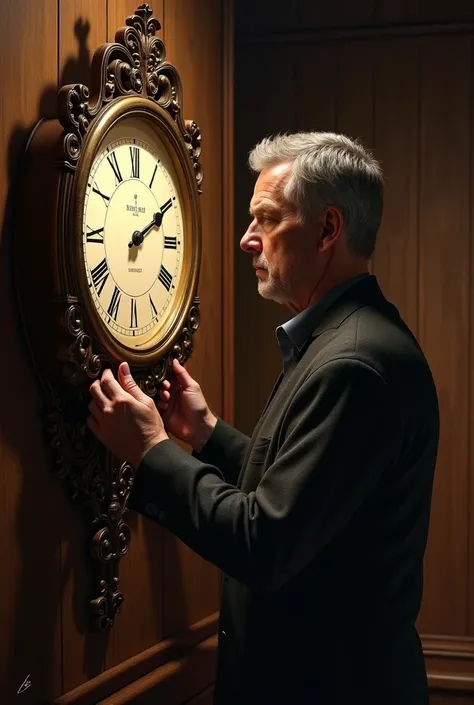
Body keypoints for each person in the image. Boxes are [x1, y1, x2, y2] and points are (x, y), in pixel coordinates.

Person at [88, 131, 439, 705]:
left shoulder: (355, 362)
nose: (246, 239)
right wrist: (206, 436)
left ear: (328, 229)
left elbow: (264, 541)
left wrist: (153, 448)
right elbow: (311, 499)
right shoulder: (348, 341)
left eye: (267, 220)